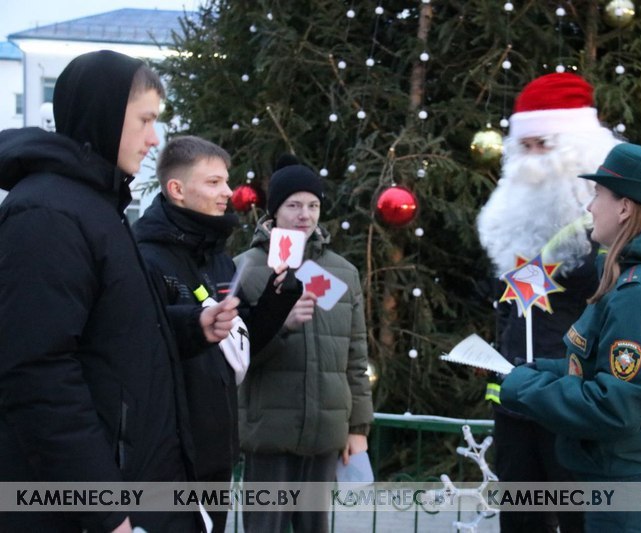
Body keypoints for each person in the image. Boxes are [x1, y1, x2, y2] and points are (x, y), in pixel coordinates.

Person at [0, 50, 238, 532]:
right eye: (145, 120)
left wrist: (191, 326)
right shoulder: (48, 215)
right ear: (106, 113)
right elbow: (39, 375)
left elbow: (114, 333)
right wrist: (104, 510)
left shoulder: (97, 207)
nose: (155, 139)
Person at [499, 142, 641, 532]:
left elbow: (615, 407)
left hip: (626, 499)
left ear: (624, 207)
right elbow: (606, 369)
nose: (589, 207)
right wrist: (533, 370)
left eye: (598, 194)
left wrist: (522, 389)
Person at [132, 135, 300, 532]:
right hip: (168, 458)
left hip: (216, 451)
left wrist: (279, 300)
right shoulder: (146, 257)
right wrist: (192, 324)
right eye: (213, 182)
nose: (228, 191)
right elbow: (139, 346)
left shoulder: (218, 258)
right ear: (177, 189)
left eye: (226, 180)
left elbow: (238, 346)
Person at [476, 72, 619, 533]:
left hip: (572, 401)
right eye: (527, 147)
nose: (534, 160)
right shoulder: (508, 216)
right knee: (519, 521)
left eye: (546, 145)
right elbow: (506, 311)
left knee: (581, 520)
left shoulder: (607, 223)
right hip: (514, 402)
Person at [235, 159, 374, 533]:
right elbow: (234, 357)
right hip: (269, 432)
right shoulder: (246, 269)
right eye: (294, 205)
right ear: (274, 210)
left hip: (325, 432)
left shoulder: (341, 272)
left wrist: (357, 427)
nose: (305, 215)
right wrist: (282, 325)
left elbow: (355, 355)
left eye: (312, 205)